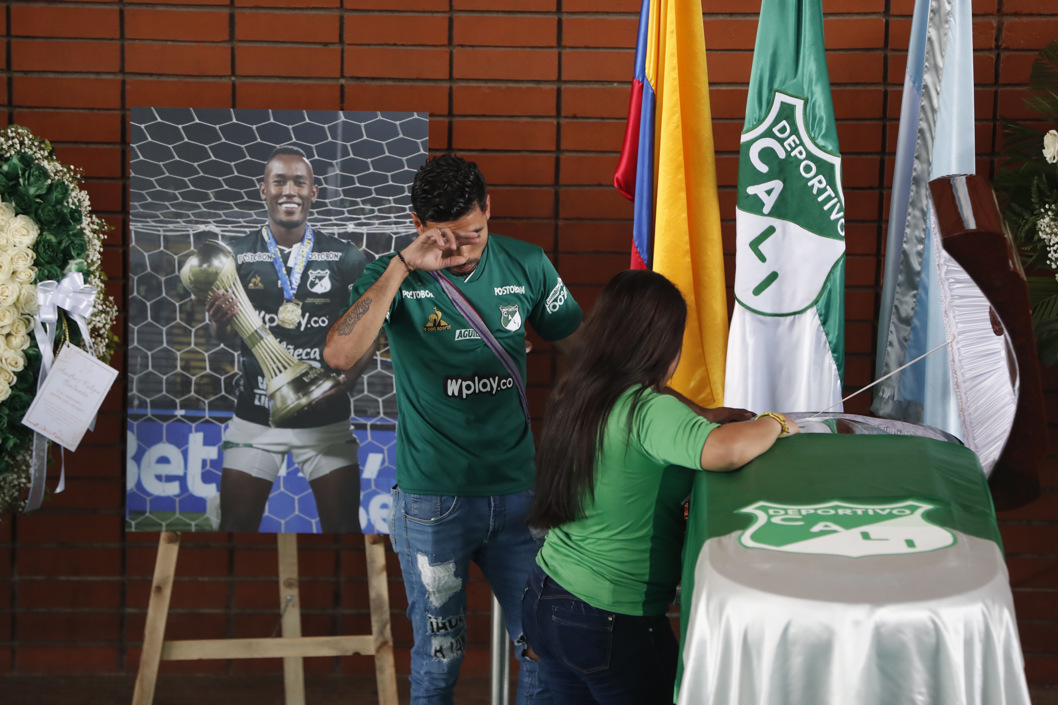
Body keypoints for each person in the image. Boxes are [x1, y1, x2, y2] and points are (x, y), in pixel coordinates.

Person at [324, 154, 581, 704]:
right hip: (433, 502)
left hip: (520, 497)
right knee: (440, 661)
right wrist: (401, 267)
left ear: (490, 209)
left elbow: (585, 351)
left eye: (475, 234)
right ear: (418, 224)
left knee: (545, 645)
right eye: (448, 240)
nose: (465, 251)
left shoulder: (526, 263)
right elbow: (341, 354)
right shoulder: (391, 277)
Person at [521, 270, 800, 705]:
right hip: (610, 617)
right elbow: (726, 451)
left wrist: (704, 415)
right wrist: (777, 422)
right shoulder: (646, 412)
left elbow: (665, 410)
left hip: (546, 595)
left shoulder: (580, 390)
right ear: (662, 344)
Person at [204, 145, 372, 533]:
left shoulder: (344, 256)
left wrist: (349, 379)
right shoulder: (236, 256)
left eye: (300, 181)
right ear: (263, 189)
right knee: (236, 526)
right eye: (279, 181)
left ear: (314, 192)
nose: (289, 190)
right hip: (256, 416)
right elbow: (225, 337)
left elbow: (373, 327)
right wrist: (218, 324)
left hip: (325, 421)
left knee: (343, 528)